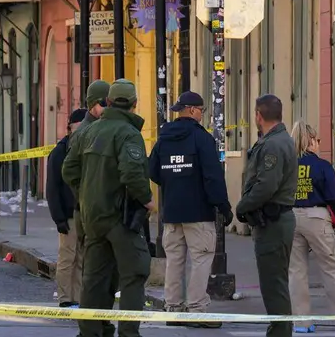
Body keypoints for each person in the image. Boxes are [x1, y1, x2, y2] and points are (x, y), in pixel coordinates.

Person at [62, 79, 153, 337]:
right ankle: (128, 332)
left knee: (94, 277)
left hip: (92, 217)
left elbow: (69, 169)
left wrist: (86, 194)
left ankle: (90, 331)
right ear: (134, 104)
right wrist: (147, 199)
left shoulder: (87, 132)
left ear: (109, 102)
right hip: (118, 216)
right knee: (135, 272)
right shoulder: (128, 133)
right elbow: (132, 172)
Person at [149, 90, 231, 318]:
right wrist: (223, 206)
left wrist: (172, 181)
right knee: (201, 260)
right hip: (198, 212)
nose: (202, 115)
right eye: (202, 111)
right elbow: (213, 176)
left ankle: (173, 307)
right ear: (193, 110)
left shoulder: (164, 138)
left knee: (174, 260)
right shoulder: (202, 138)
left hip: (172, 212)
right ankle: (195, 309)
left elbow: (152, 170)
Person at [287, 121, 335, 334]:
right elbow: (333, 200)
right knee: (331, 268)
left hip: (290, 217)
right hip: (316, 217)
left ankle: (301, 322)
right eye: (317, 140)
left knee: (296, 271)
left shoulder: (287, 165)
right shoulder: (322, 166)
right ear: (310, 141)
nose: (319, 144)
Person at [236, 94, 299, 337]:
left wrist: (243, 206)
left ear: (258, 115)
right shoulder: (278, 140)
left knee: (273, 284)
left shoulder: (273, 144)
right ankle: (280, 329)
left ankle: (280, 332)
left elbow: (266, 185)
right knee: (275, 282)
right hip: (274, 220)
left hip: (273, 221)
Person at [47, 107, 89, 307]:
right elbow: (52, 187)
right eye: (79, 125)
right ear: (70, 127)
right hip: (68, 213)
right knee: (67, 257)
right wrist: (59, 218)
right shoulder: (59, 152)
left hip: (84, 212)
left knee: (81, 257)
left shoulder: (86, 147)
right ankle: (65, 299)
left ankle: (78, 298)